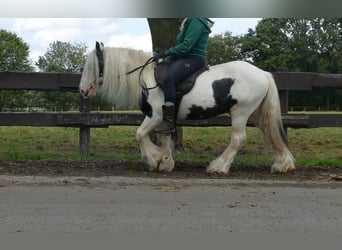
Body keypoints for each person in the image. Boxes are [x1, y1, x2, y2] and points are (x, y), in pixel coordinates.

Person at [153, 18, 214, 134]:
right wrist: (165, 59)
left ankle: (169, 122)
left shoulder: (196, 20)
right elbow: (181, 48)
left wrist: (166, 53)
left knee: (169, 78)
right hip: (183, 58)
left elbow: (186, 46)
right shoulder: (189, 21)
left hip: (193, 58)